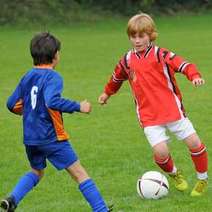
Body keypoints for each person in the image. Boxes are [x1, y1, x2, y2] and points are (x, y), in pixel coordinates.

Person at [98, 13, 208, 197]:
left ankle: (202, 179)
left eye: (141, 36)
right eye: (133, 36)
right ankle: (175, 174)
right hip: (149, 116)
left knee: (194, 143)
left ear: (151, 35)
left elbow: (184, 65)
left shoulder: (161, 54)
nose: (137, 40)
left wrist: (194, 76)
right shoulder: (126, 60)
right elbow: (116, 78)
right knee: (161, 152)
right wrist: (107, 93)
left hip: (173, 111)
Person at [1, 32, 112, 212]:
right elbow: (51, 101)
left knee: (36, 172)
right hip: (52, 137)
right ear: (55, 56)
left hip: (30, 138)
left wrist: (30, 112)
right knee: (79, 173)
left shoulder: (27, 76)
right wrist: (78, 106)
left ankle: (12, 199)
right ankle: (102, 210)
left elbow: (11, 104)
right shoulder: (53, 77)